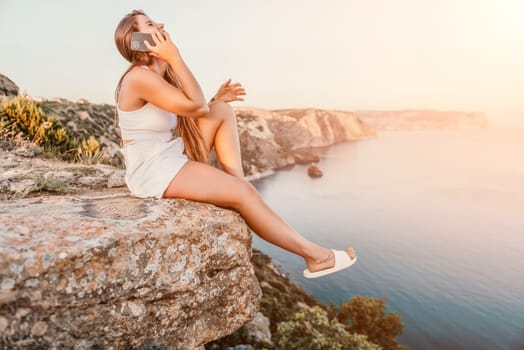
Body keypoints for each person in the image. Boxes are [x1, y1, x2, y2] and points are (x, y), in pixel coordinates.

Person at [114, 9, 357, 279]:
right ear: (135, 41)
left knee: (221, 110)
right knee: (242, 185)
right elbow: (195, 106)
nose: (160, 24)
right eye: (149, 24)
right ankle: (316, 256)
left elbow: (194, 111)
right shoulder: (139, 77)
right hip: (153, 171)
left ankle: (237, 191)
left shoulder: (158, 73)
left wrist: (214, 98)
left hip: (168, 156)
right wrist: (176, 56)